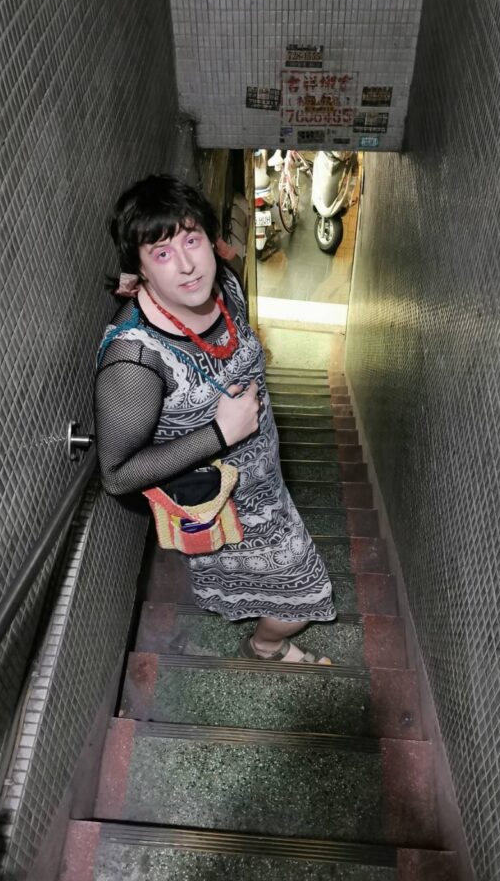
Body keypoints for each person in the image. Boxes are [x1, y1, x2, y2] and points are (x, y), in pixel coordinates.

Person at [94, 174, 336, 663]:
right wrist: (219, 432)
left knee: (284, 585)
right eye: (161, 253)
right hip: (223, 502)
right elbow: (117, 474)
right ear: (139, 270)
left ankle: (266, 640)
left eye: (191, 240)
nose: (187, 265)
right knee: (306, 597)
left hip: (267, 480)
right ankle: (266, 646)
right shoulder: (135, 362)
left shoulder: (223, 285)